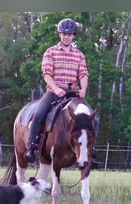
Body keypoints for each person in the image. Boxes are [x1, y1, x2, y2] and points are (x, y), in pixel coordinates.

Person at [24, 18, 89, 163]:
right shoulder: (50, 52)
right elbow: (46, 73)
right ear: (59, 34)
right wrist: (55, 88)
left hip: (73, 93)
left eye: (69, 34)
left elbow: (83, 74)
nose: (66, 36)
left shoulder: (79, 55)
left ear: (73, 35)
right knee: (39, 114)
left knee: (91, 117)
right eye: (64, 34)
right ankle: (31, 147)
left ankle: (91, 150)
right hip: (54, 92)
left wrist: (83, 89)